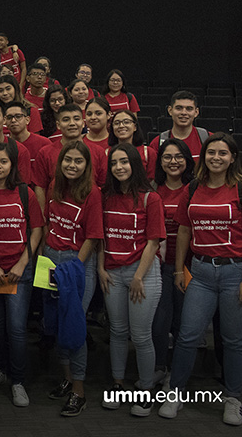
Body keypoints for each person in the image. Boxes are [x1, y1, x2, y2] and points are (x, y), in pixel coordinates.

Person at [160, 134, 242, 426]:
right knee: (188, 336)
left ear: (232, 158)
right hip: (201, 273)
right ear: (203, 157)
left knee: (233, 341)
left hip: (235, 272)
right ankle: (175, 393)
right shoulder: (192, 188)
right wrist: (179, 270)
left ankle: (232, 398)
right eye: (211, 152)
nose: (216, 157)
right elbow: (183, 232)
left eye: (223, 153)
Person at [98, 144, 164, 417]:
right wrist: (101, 268)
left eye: (124, 162)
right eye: (114, 163)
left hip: (142, 274)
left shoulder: (151, 198)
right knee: (116, 332)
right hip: (111, 273)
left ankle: (146, 390)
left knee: (140, 336)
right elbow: (101, 235)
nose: (119, 167)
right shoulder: (106, 197)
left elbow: (153, 242)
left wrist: (138, 276)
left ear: (134, 164)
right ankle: (118, 384)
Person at [0, 141, 43, 406]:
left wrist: (21, 265)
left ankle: (17, 381)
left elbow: (37, 230)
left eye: (3, 162)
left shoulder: (25, 193)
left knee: (16, 328)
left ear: (12, 165)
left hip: (19, 273)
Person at [42, 140, 104, 417]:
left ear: (87, 165)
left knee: (74, 328)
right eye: (68, 160)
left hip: (75, 263)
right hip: (50, 259)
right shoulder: (55, 186)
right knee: (55, 322)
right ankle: (66, 379)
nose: (72, 165)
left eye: (78, 161)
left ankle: (79, 391)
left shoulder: (92, 193)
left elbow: (93, 236)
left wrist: (74, 269)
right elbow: (48, 222)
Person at [150, 138, 194, 385]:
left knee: (182, 323)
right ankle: (159, 367)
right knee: (159, 323)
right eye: (167, 157)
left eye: (178, 157)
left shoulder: (196, 189)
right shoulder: (153, 190)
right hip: (160, 267)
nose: (173, 162)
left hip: (189, 266)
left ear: (187, 161)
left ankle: (176, 375)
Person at [32, 104, 107, 213]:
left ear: (83, 123)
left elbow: (103, 187)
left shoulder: (98, 152)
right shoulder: (45, 152)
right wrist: (44, 218)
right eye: (66, 119)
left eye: (76, 119)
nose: (72, 123)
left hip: (89, 215)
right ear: (58, 125)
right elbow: (40, 188)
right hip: (57, 216)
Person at [149, 90, 209, 163]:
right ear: (170, 110)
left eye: (189, 109)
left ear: (196, 112)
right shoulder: (157, 144)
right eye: (179, 108)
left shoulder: (208, 139)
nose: (184, 112)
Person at [108, 110, 155, 179]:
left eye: (126, 122)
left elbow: (152, 180)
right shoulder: (107, 152)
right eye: (116, 123)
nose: (121, 126)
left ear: (135, 127)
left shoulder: (148, 152)